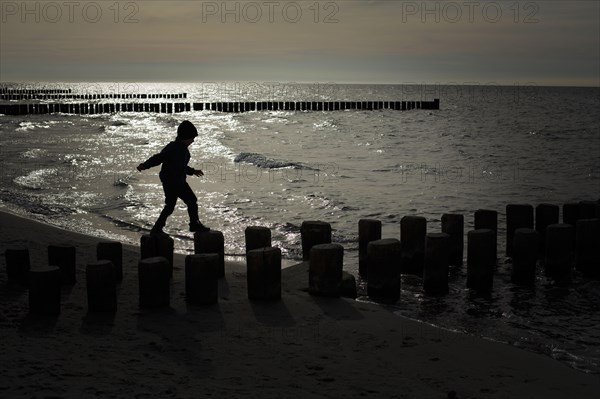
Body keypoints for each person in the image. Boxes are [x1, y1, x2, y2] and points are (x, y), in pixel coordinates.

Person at [136, 120, 210, 235]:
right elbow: (159, 158)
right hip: (171, 182)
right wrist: (145, 165)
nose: (193, 141)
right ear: (185, 137)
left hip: (178, 181)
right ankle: (161, 229)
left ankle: (190, 225)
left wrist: (193, 171)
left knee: (183, 203)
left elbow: (181, 166)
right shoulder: (173, 147)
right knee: (181, 203)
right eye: (191, 138)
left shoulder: (183, 149)